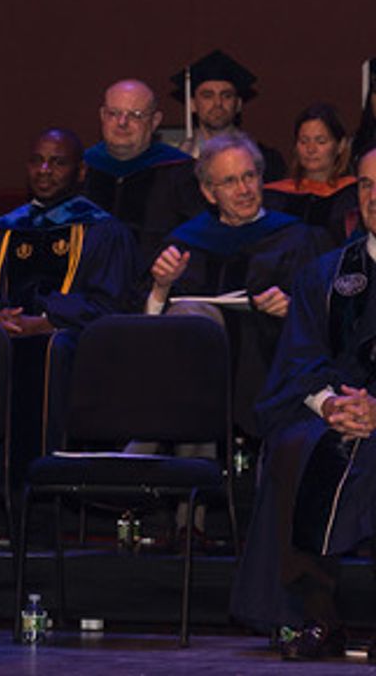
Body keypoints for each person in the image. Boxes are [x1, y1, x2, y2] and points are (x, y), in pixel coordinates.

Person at [230, 145, 376, 661]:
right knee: (296, 445)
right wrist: (332, 406)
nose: (375, 196)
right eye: (365, 184)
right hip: (340, 411)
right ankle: (320, 617)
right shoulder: (326, 274)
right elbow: (300, 358)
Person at [146, 134, 326, 440]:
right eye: (230, 181)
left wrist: (292, 308)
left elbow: (327, 316)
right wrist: (161, 288)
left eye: (249, 177)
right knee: (191, 319)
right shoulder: (186, 242)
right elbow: (150, 330)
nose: (244, 190)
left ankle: (171, 443)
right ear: (208, 191)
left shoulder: (297, 239)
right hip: (193, 360)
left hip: (268, 365)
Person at [0, 127, 135, 451]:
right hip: (5, 342)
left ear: (80, 172)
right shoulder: (1, 230)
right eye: (37, 161)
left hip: (72, 348)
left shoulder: (104, 232)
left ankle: (53, 478)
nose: (44, 171)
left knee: (54, 351)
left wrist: (46, 323)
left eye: (57, 163)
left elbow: (110, 305)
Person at [81, 79, 203, 264]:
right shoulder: (80, 170)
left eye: (135, 115)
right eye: (113, 113)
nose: (122, 123)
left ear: (155, 121)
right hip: (85, 288)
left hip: (155, 287)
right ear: (102, 116)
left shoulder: (182, 172)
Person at [172, 49, 286, 181]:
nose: (218, 103)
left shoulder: (266, 161)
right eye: (208, 96)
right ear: (192, 104)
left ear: (237, 104)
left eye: (226, 96)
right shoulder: (177, 162)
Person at [263, 103, 358, 246]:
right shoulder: (274, 196)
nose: (311, 149)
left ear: (340, 146)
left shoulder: (353, 195)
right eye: (304, 141)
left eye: (321, 141)